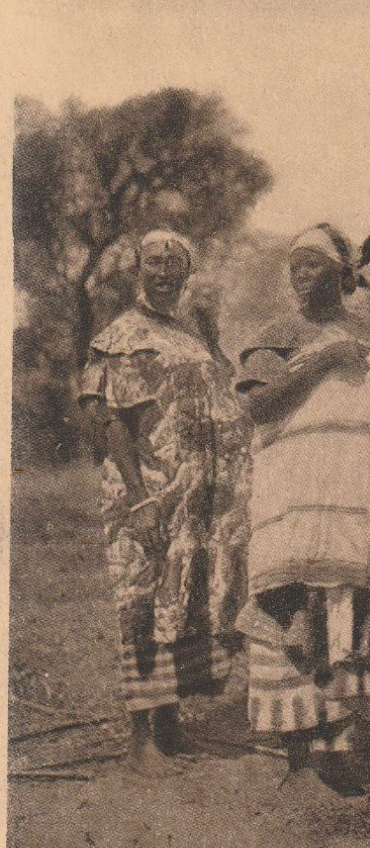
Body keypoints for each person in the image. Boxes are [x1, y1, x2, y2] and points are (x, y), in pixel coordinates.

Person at [235, 223, 370, 794]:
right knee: (289, 607)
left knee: (342, 611)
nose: (299, 276)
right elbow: (257, 407)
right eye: (294, 267)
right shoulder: (279, 333)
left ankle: (335, 753)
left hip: (349, 494)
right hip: (292, 493)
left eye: (311, 266)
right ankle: (296, 754)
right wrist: (322, 359)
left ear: (343, 275)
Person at [79, 230, 251, 776]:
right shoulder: (122, 334)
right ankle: (140, 740)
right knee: (140, 600)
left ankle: (170, 727)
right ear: (137, 269)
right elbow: (111, 422)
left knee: (176, 604)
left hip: (195, 494)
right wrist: (139, 498)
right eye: (155, 263)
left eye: (176, 265)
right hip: (149, 489)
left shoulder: (188, 335)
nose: (166, 273)